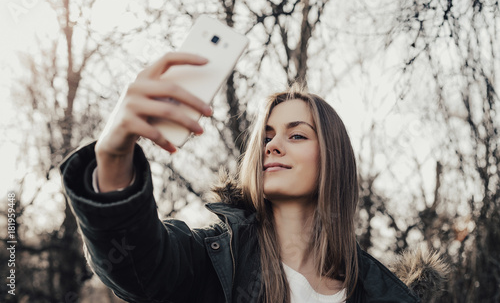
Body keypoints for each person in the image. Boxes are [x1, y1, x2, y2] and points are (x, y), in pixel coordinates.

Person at [60, 52, 441, 302]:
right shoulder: (209, 262)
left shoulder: (381, 293)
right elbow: (134, 263)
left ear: (334, 159)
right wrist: (112, 154)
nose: (273, 146)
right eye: (267, 136)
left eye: (296, 135)